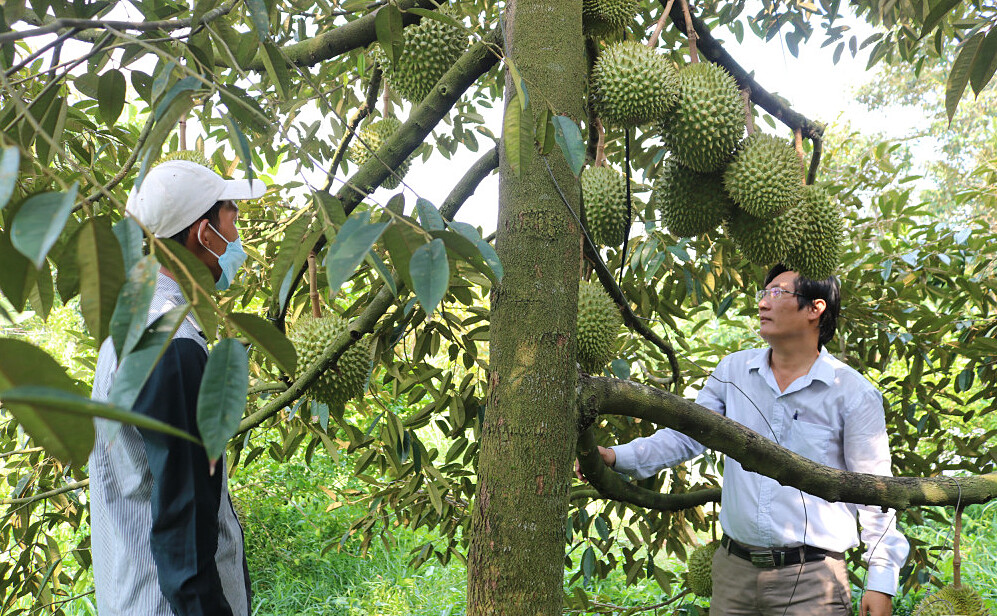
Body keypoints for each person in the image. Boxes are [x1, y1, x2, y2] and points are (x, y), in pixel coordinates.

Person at [595, 265, 909, 616]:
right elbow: (688, 436)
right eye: (763, 293)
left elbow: (875, 492)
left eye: (777, 293)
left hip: (812, 581)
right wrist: (613, 456)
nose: (762, 304)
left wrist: (881, 578)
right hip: (734, 573)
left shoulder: (852, 393)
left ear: (815, 308)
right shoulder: (733, 373)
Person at [88, 159, 266, 615]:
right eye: (232, 215)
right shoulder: (173, 348)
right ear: (203, 233)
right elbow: (184, 537)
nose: (239, 229)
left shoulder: (129, 328)